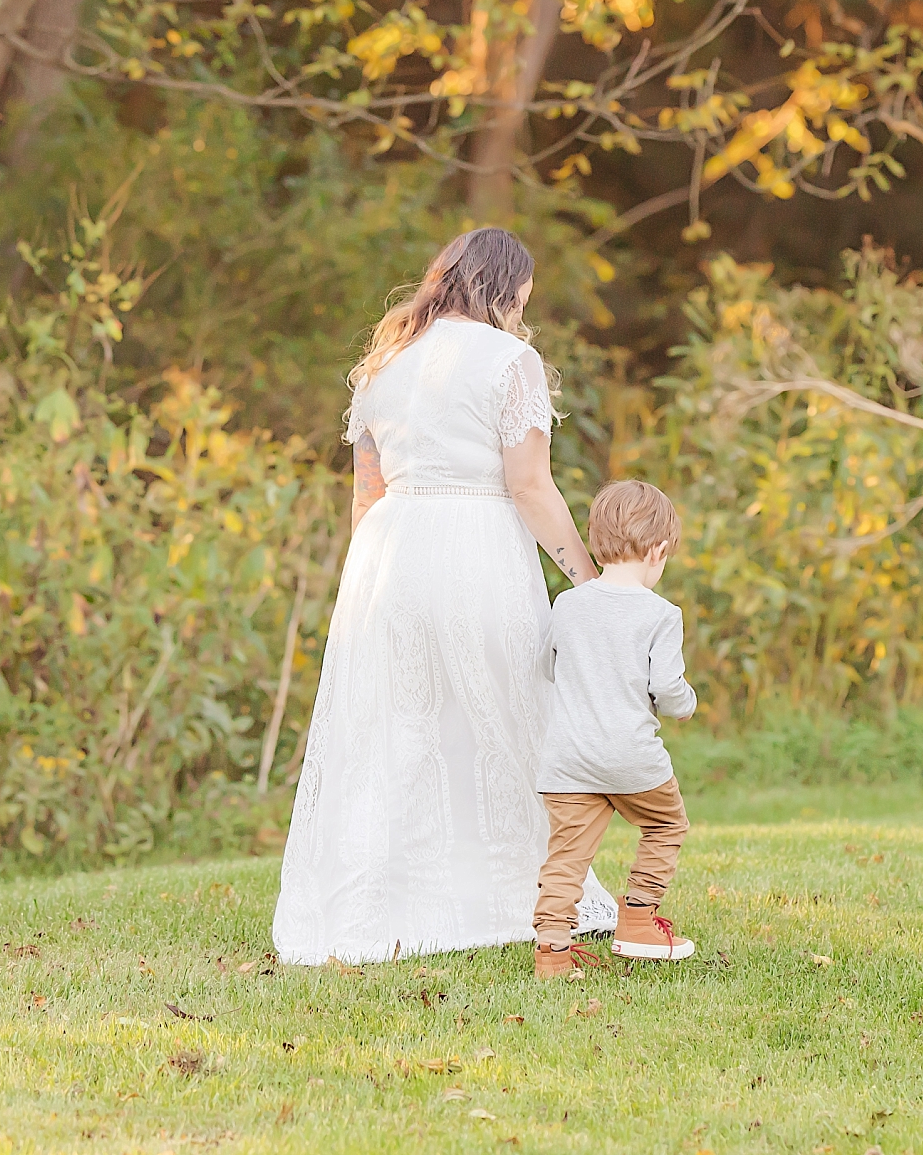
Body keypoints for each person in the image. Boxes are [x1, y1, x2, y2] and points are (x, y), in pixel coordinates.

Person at [272, 227, 616, 965]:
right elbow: (529, 486)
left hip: (389, 552)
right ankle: (525, 894)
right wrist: (589, 580)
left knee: (395, 725)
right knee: (508, 709)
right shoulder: (511, 361)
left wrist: (366, 587)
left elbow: (367, 493)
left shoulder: (383, 364)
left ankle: (382, 907)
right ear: (509, 287)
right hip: (476, 543)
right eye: (526, 291)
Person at [532, 479, 698, 979]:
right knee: (666, 824)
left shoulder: (569, 603)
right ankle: (638, 919)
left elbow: (548, 666)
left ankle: (553, 954)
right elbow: (668, 687)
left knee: (566, 858)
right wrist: (685, 703)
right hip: (631, 759)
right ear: (660, 550)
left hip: (568, 761)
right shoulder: (661, 614)